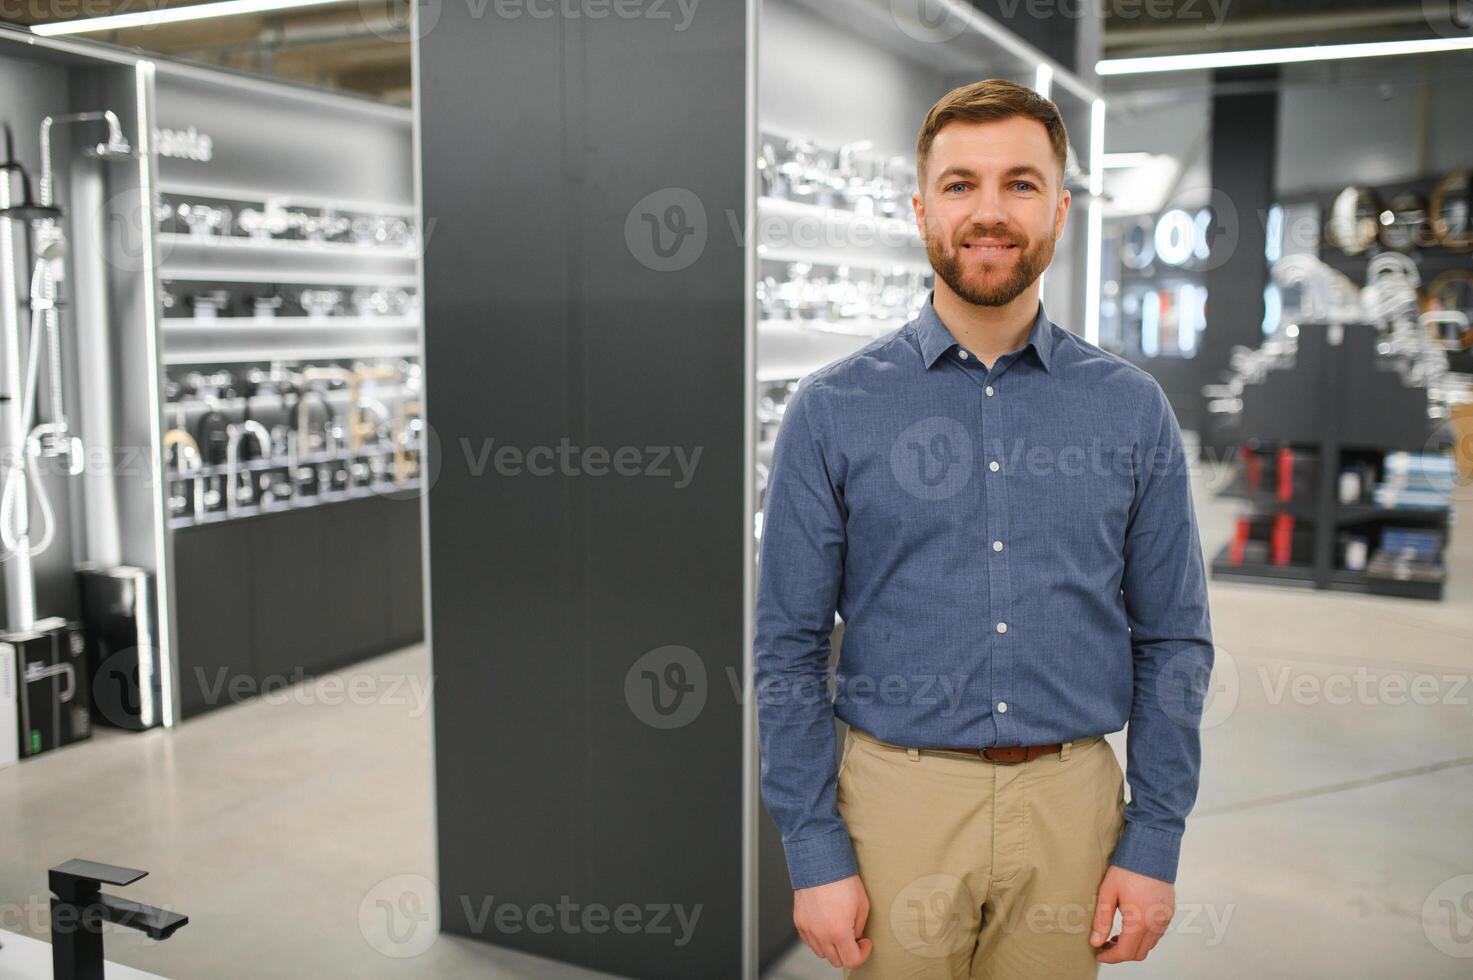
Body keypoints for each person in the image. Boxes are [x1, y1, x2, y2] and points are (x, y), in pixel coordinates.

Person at [754, 78, 1215, 978]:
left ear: (1060, 208)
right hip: (896, 803)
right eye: (961, 184)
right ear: (921, 207)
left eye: (1020, 183)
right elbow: (787, 648)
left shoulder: (1130, 410)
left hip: (1073, 803)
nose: (989, 212)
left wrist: (1153, 837)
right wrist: (813, 850)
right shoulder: (832, 410)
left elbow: (1173, 637)